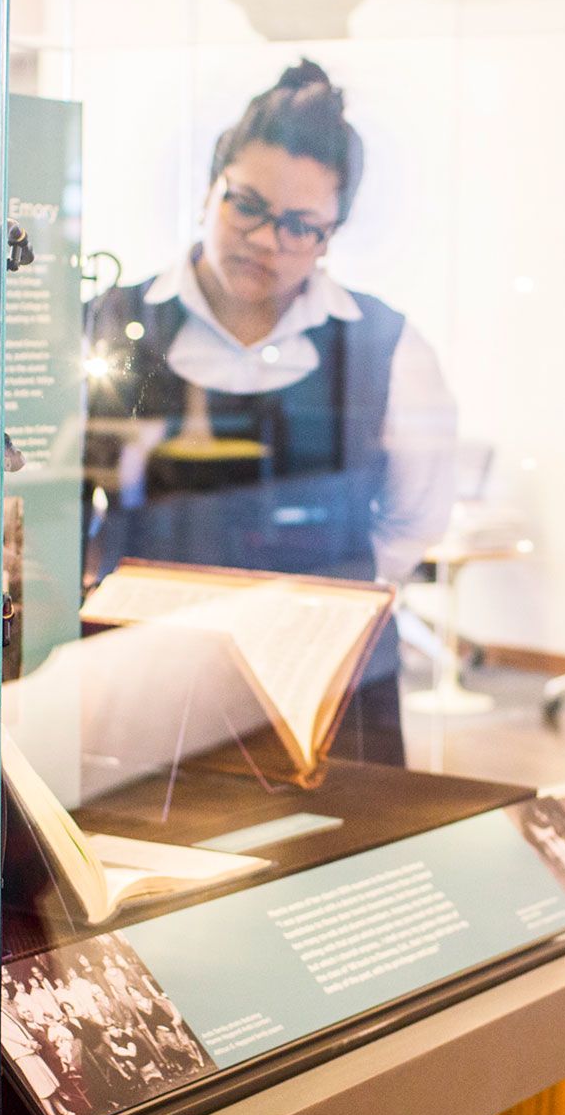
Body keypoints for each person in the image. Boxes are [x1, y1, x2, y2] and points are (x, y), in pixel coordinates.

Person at [81, 59, 456, 767]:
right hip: (144, 673)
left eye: (300, 226)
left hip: (325, 679)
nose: (265, 240)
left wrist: (333, 592)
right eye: (247, 206)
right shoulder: (111, 324)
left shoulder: (390, 347)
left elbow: (414, 521)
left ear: (331, 234)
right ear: (209, 190)